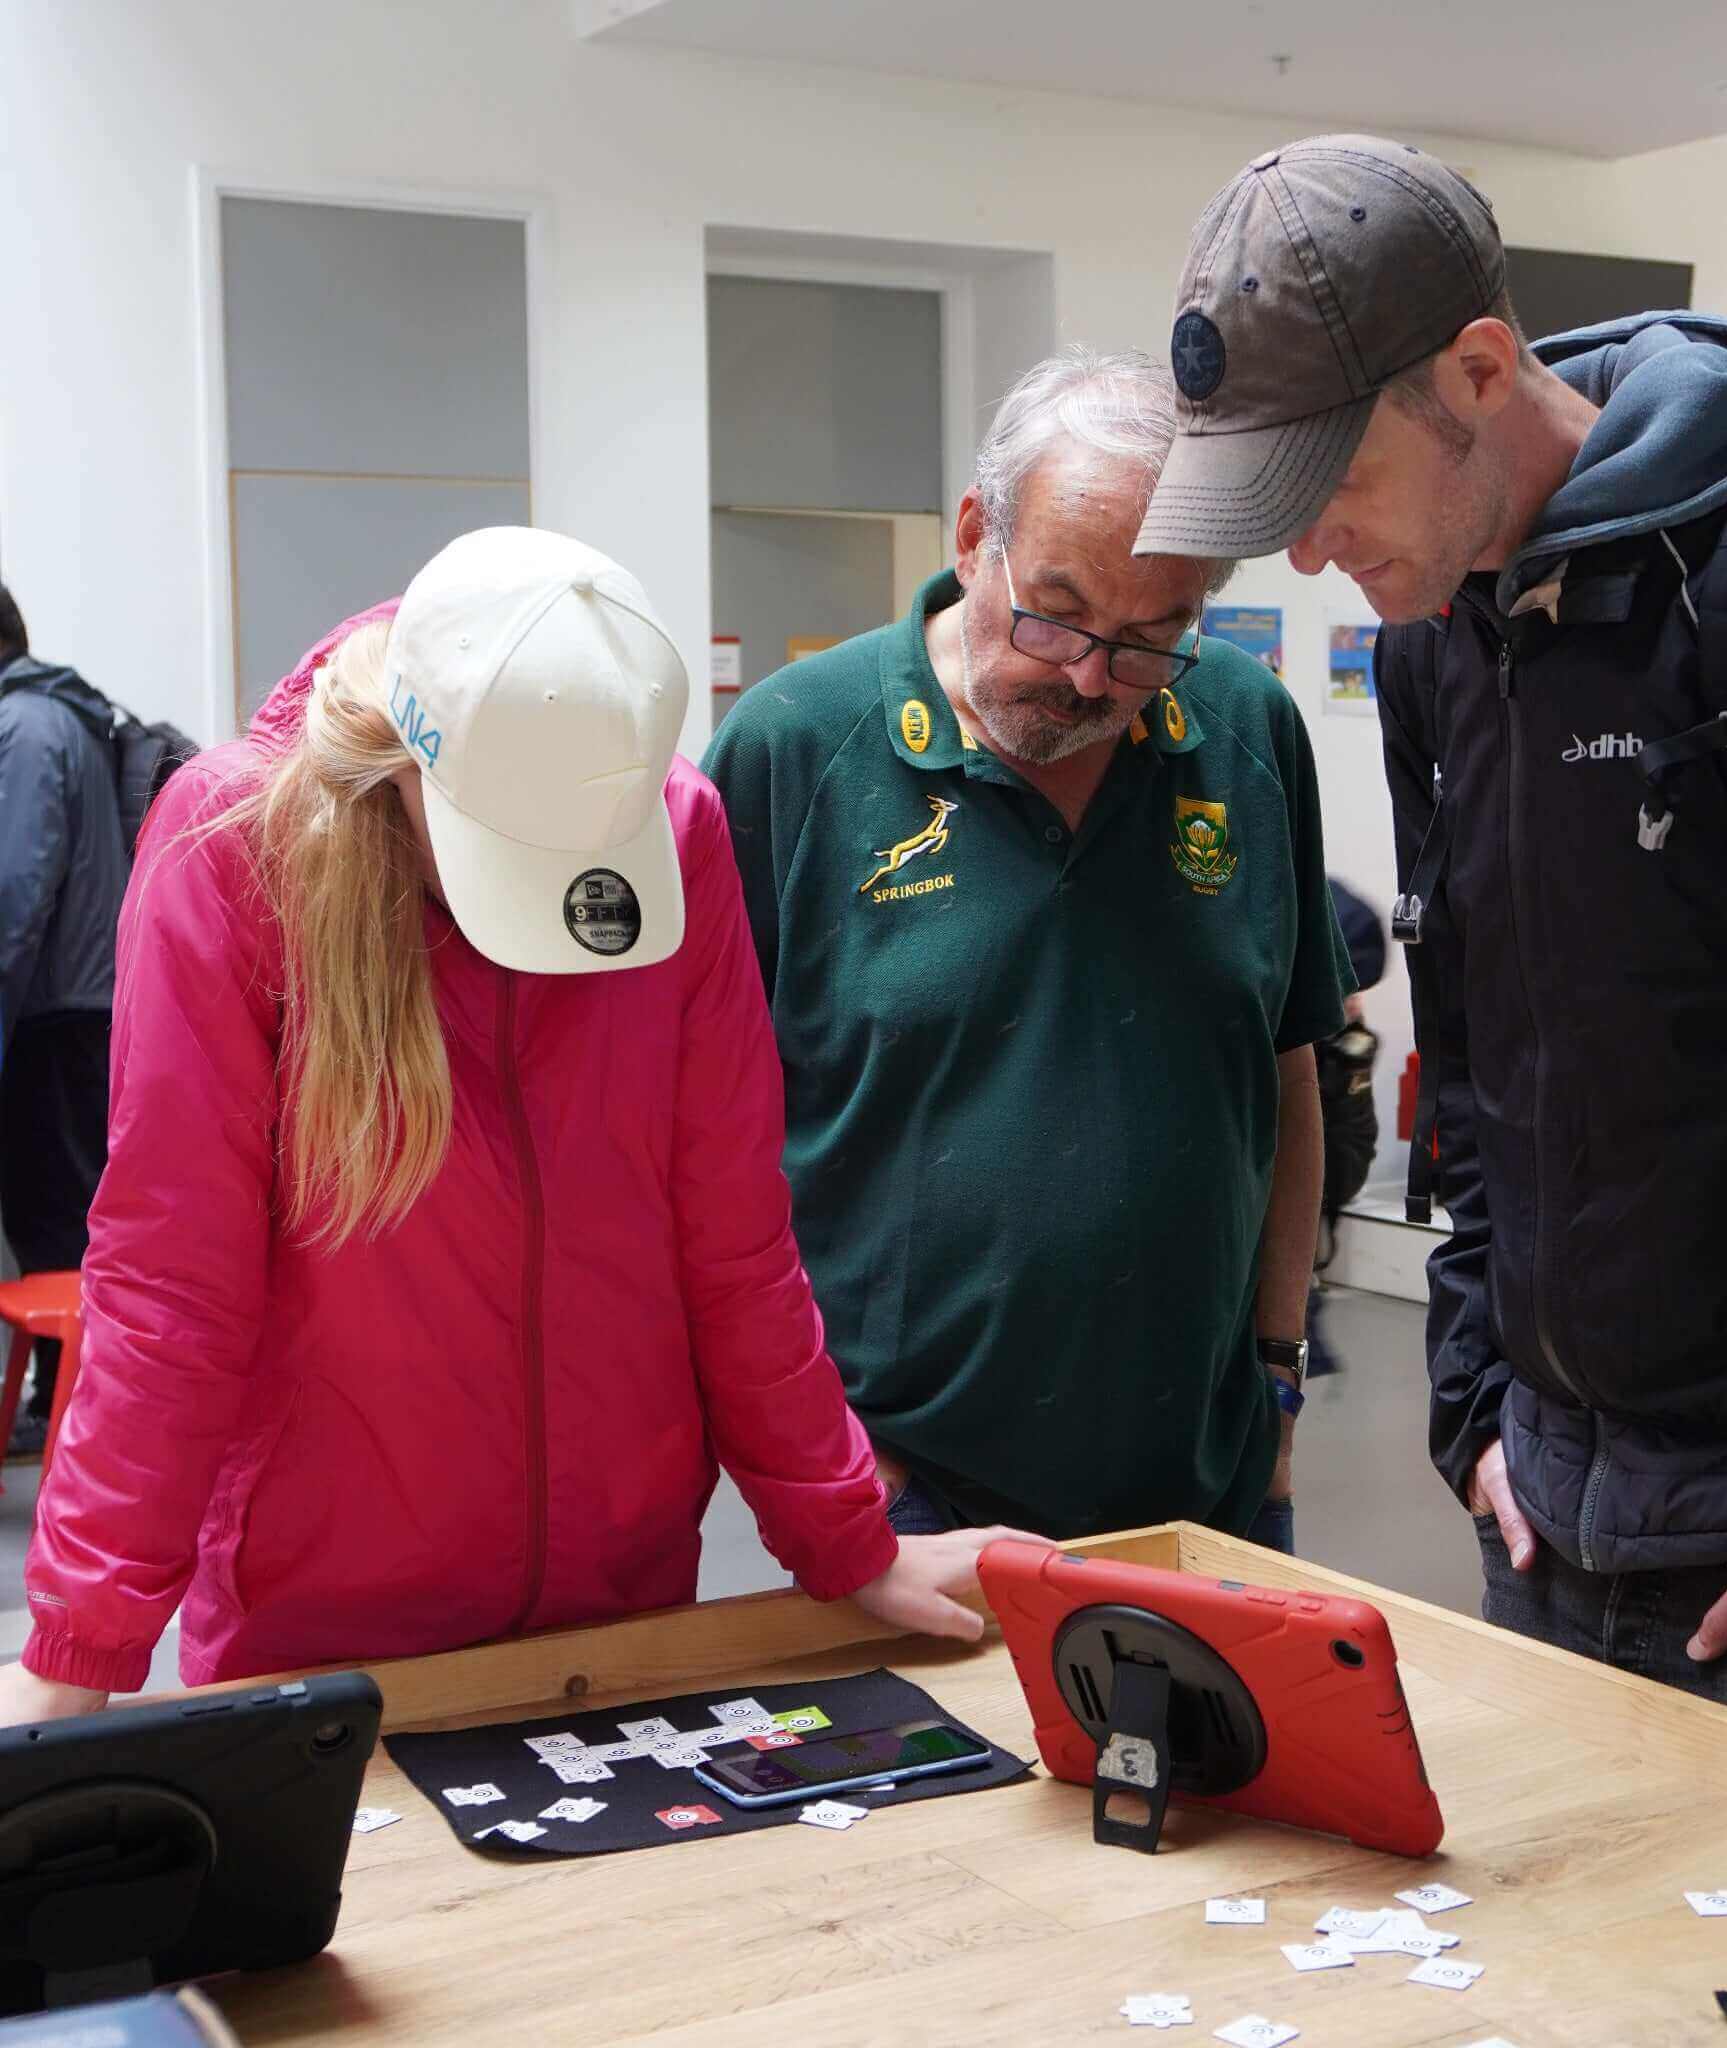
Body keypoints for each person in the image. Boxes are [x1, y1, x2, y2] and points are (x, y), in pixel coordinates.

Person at [1140, 136, 1727, 1765]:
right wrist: (1471, 1405)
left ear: (1476, 374)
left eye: (1328, 491)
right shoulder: (1440, 651)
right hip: (1539, 1530)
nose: (1309, 554)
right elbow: (1474, 1068)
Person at [0, 529, 1037, 1726]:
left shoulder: (677, 830)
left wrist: (847, 1540)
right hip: (325, 1622)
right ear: (407, 767)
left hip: (625, 1600)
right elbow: (172, 1283)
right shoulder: (236, 845)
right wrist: (81, 1646)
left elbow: (733, 1240)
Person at [703, 351, 1352, 1555]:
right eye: (1054, 614)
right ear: (970, 536)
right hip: (903, 1488)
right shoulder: (795, 747)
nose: (1088, 678)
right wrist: (827, 1448)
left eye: (1150, 638)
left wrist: (1277, 1366)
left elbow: (1284, 1068)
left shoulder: (1245, 729)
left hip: (1210, 1470)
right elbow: (691, 1145)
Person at [0, 583, 127, 1453]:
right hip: (79, 1007)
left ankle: (83, 1420)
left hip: (56, 1012)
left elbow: (14, 889)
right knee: (67, 1222)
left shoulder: (26, 727)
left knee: (61, 1227)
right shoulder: (59, 716)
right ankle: (62, 1407)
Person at [1306, 877, 1386, 1377]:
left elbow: (1341, 1181)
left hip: (1294, 1311)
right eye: (1348, 987)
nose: (1356, 1005)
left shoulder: (1336, 1054)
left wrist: (1348, 1076)